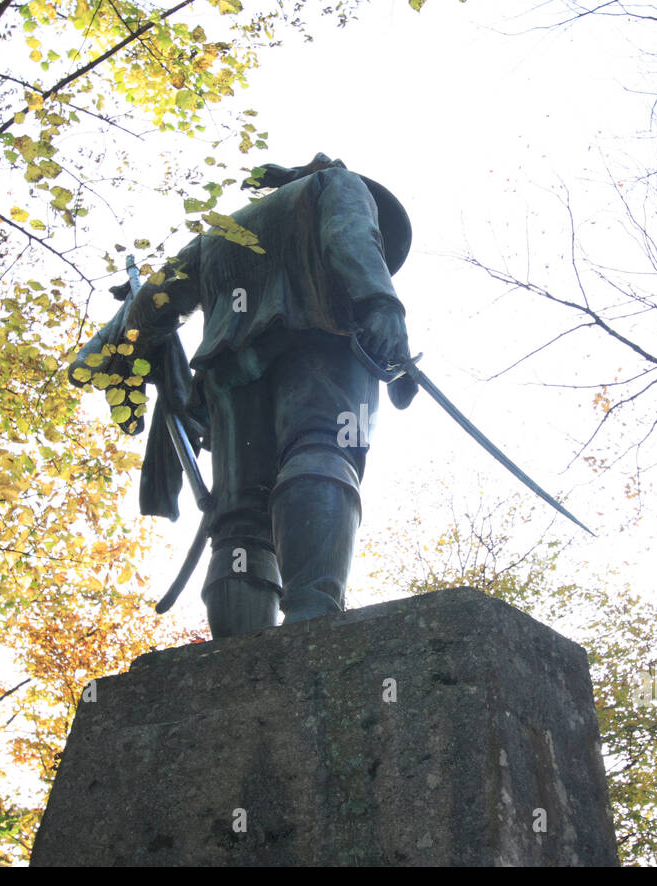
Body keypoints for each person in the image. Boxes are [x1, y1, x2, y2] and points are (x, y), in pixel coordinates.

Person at [69, 154, 414, 638]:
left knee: (239, 516)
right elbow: (351, 238)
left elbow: (158, 298)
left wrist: (120, 342)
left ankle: (237, 651)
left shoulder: (220, 234)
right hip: (324, 341)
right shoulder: (338, 183)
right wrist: (382, 303)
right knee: (321, 452)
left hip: (228, 377)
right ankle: (312, 617)